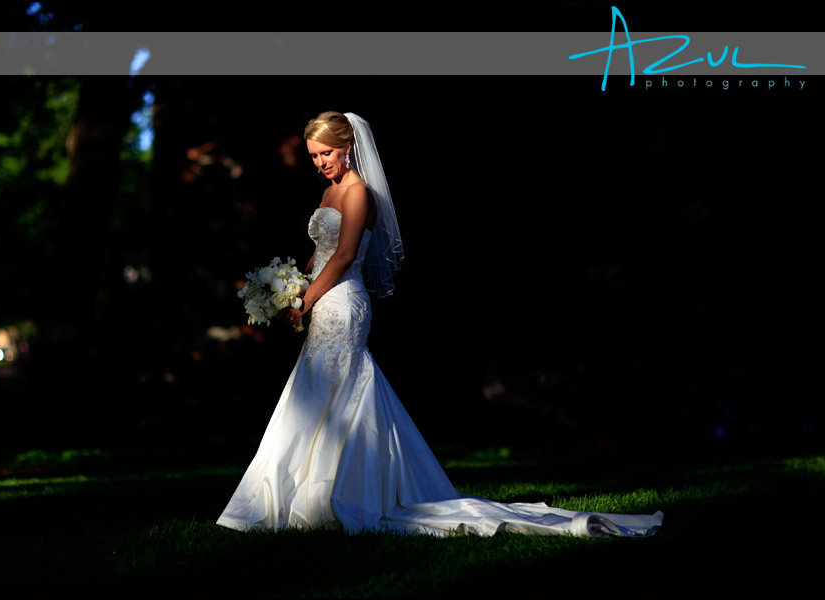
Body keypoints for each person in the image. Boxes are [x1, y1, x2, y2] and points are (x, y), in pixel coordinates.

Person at [216, 111, 663, 537]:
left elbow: (347, 255)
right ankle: (301, 494)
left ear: (348, 147)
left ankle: (342, 494)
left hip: (342, 303)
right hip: (320, 297)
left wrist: (307, 300)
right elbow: (321, 249)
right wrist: (293, 290)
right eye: (313, 156)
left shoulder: (357, 193)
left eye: (325, 154)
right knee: (318, 391)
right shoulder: (329, 191)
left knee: (338, 388)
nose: (319, 163)